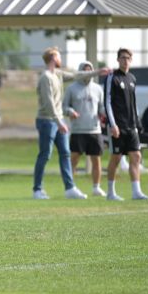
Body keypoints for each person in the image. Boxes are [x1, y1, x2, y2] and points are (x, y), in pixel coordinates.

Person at [33, 47, 110, 200]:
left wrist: (97, 72)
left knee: (66, 154)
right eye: (59, 56)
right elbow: (49, 104)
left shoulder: (58, 74)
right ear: (53, 57)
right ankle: (37, 190)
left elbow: (77, 75)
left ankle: (70, 188)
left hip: (57, 121)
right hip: (46, 121)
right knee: (45, 155)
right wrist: (59, 122)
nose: (61, 59)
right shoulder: (46, 77)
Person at [104, 48, 148, 201]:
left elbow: (133, 103)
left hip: (131, 126)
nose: (125, 60)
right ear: (118, 60)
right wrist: (113, 124)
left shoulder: (132, 78)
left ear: (131, 60)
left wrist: (137, 123)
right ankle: (110, 193)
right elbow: (107, 102)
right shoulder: (112, 77)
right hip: (117, 126)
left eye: (128, 58)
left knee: (136, 156)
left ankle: (136, 192)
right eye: (123, 58)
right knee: (116, 158)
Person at [62, 60, 107, 197]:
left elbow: (101, 107)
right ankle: (71, 187)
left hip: (94, 130)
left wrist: (104, 114)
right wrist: (71, 112)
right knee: (74, 159)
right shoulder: (71, 88)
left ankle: (96, 187)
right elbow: (64, 107)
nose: (88, 73)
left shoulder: (98, 88)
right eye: (85, 70)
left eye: (90, 70)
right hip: (77, 130)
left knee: (96, 159)